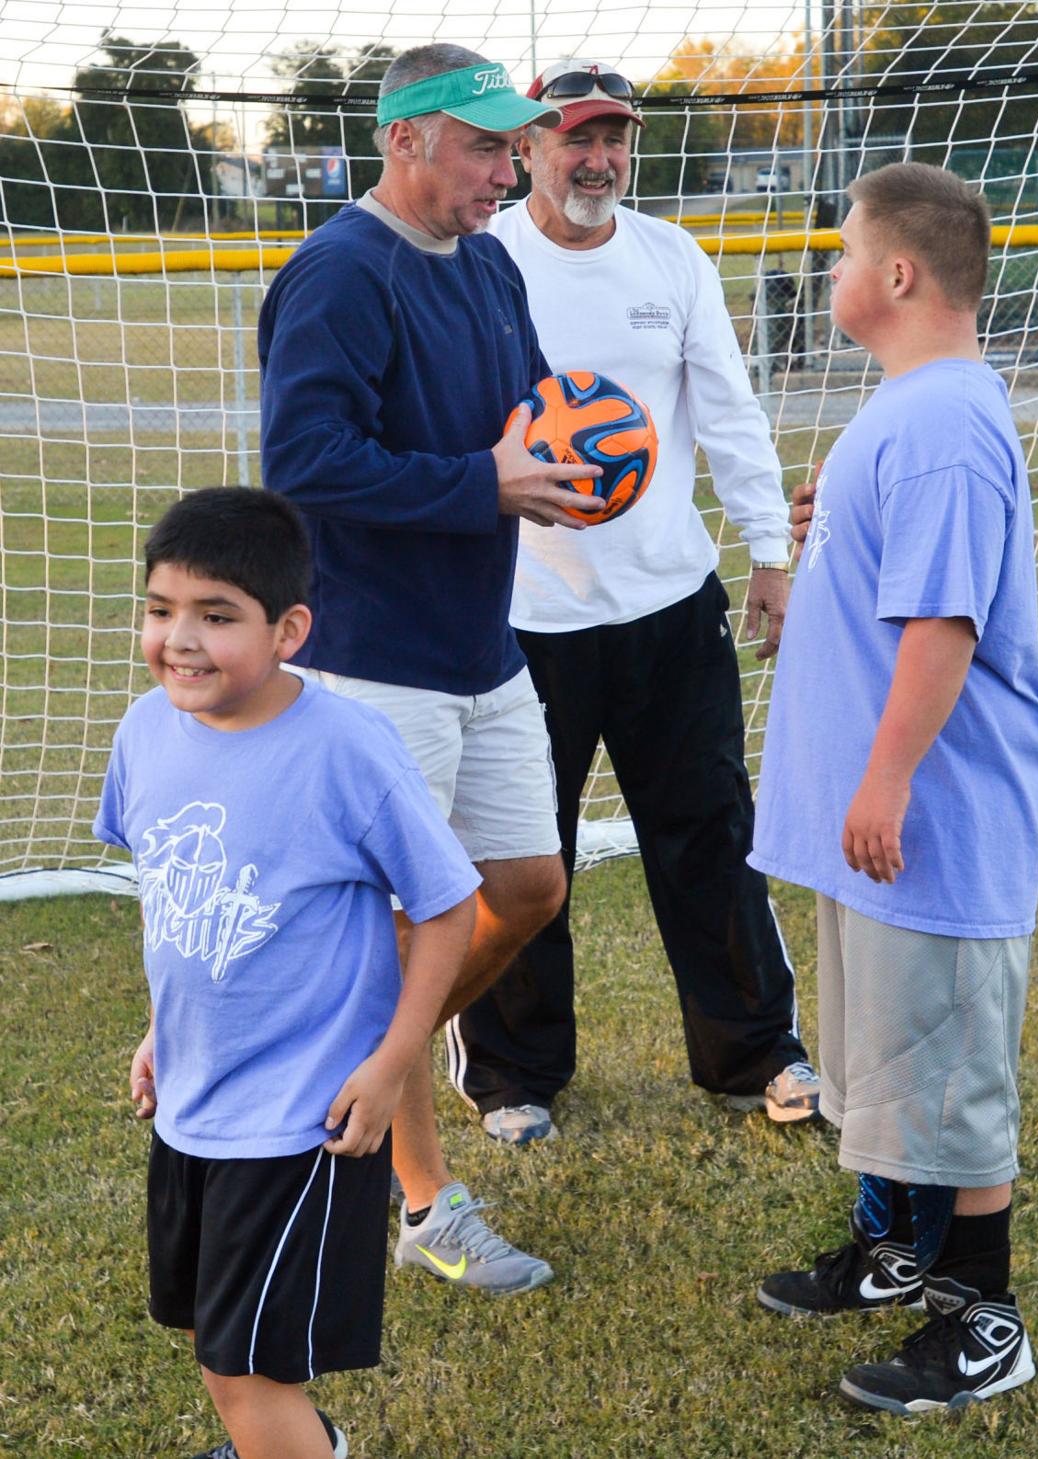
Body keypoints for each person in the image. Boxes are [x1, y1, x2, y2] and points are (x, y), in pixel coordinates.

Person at [257, 45, 603, 1290]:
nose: (508, 172)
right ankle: (424, 1205)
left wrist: (577, 451)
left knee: (526, 884)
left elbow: (522, 412)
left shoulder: (495, 260)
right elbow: (300, 461)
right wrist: (483, 484)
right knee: (413, 915)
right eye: (483, 148)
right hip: (373, 660)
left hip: (480, 644)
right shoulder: (340, 274)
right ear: (405, 141)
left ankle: (363, 1063)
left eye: (514, 148)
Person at [450, 60, 820, 1147]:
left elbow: (730, 407)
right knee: (524, 850)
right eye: (576, 139)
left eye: (615, 138)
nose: (598, 158)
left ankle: (756, 1052)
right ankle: (513, 1074)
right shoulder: (482, 260)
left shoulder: (673, 256)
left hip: (668, 603)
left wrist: (768, 551)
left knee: (709, 834)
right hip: (521, 615)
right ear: (529, 150)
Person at [749, 163, 1038, 1413]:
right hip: (875, 829)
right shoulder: (908, 409)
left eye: (840, 252)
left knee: (949, 1072)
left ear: (896, 274)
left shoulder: (937, 422)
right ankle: (895, 1252)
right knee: (883, 1057)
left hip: (926, 821)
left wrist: (884, 782)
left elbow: (943, 625)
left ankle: (987, 1319)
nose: (827, 273)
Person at [93, 488, 481, 1459]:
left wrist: (394, 1062)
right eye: (161, 608)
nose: (180, 639)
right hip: (194, 1101)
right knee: (208, 1330)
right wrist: (159, 1030)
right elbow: (180, 905)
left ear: (289, 630)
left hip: (299, 1120)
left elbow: (447, 906)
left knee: (243, 1371)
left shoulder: (345, 750)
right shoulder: (145, 732)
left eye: (217, 615)